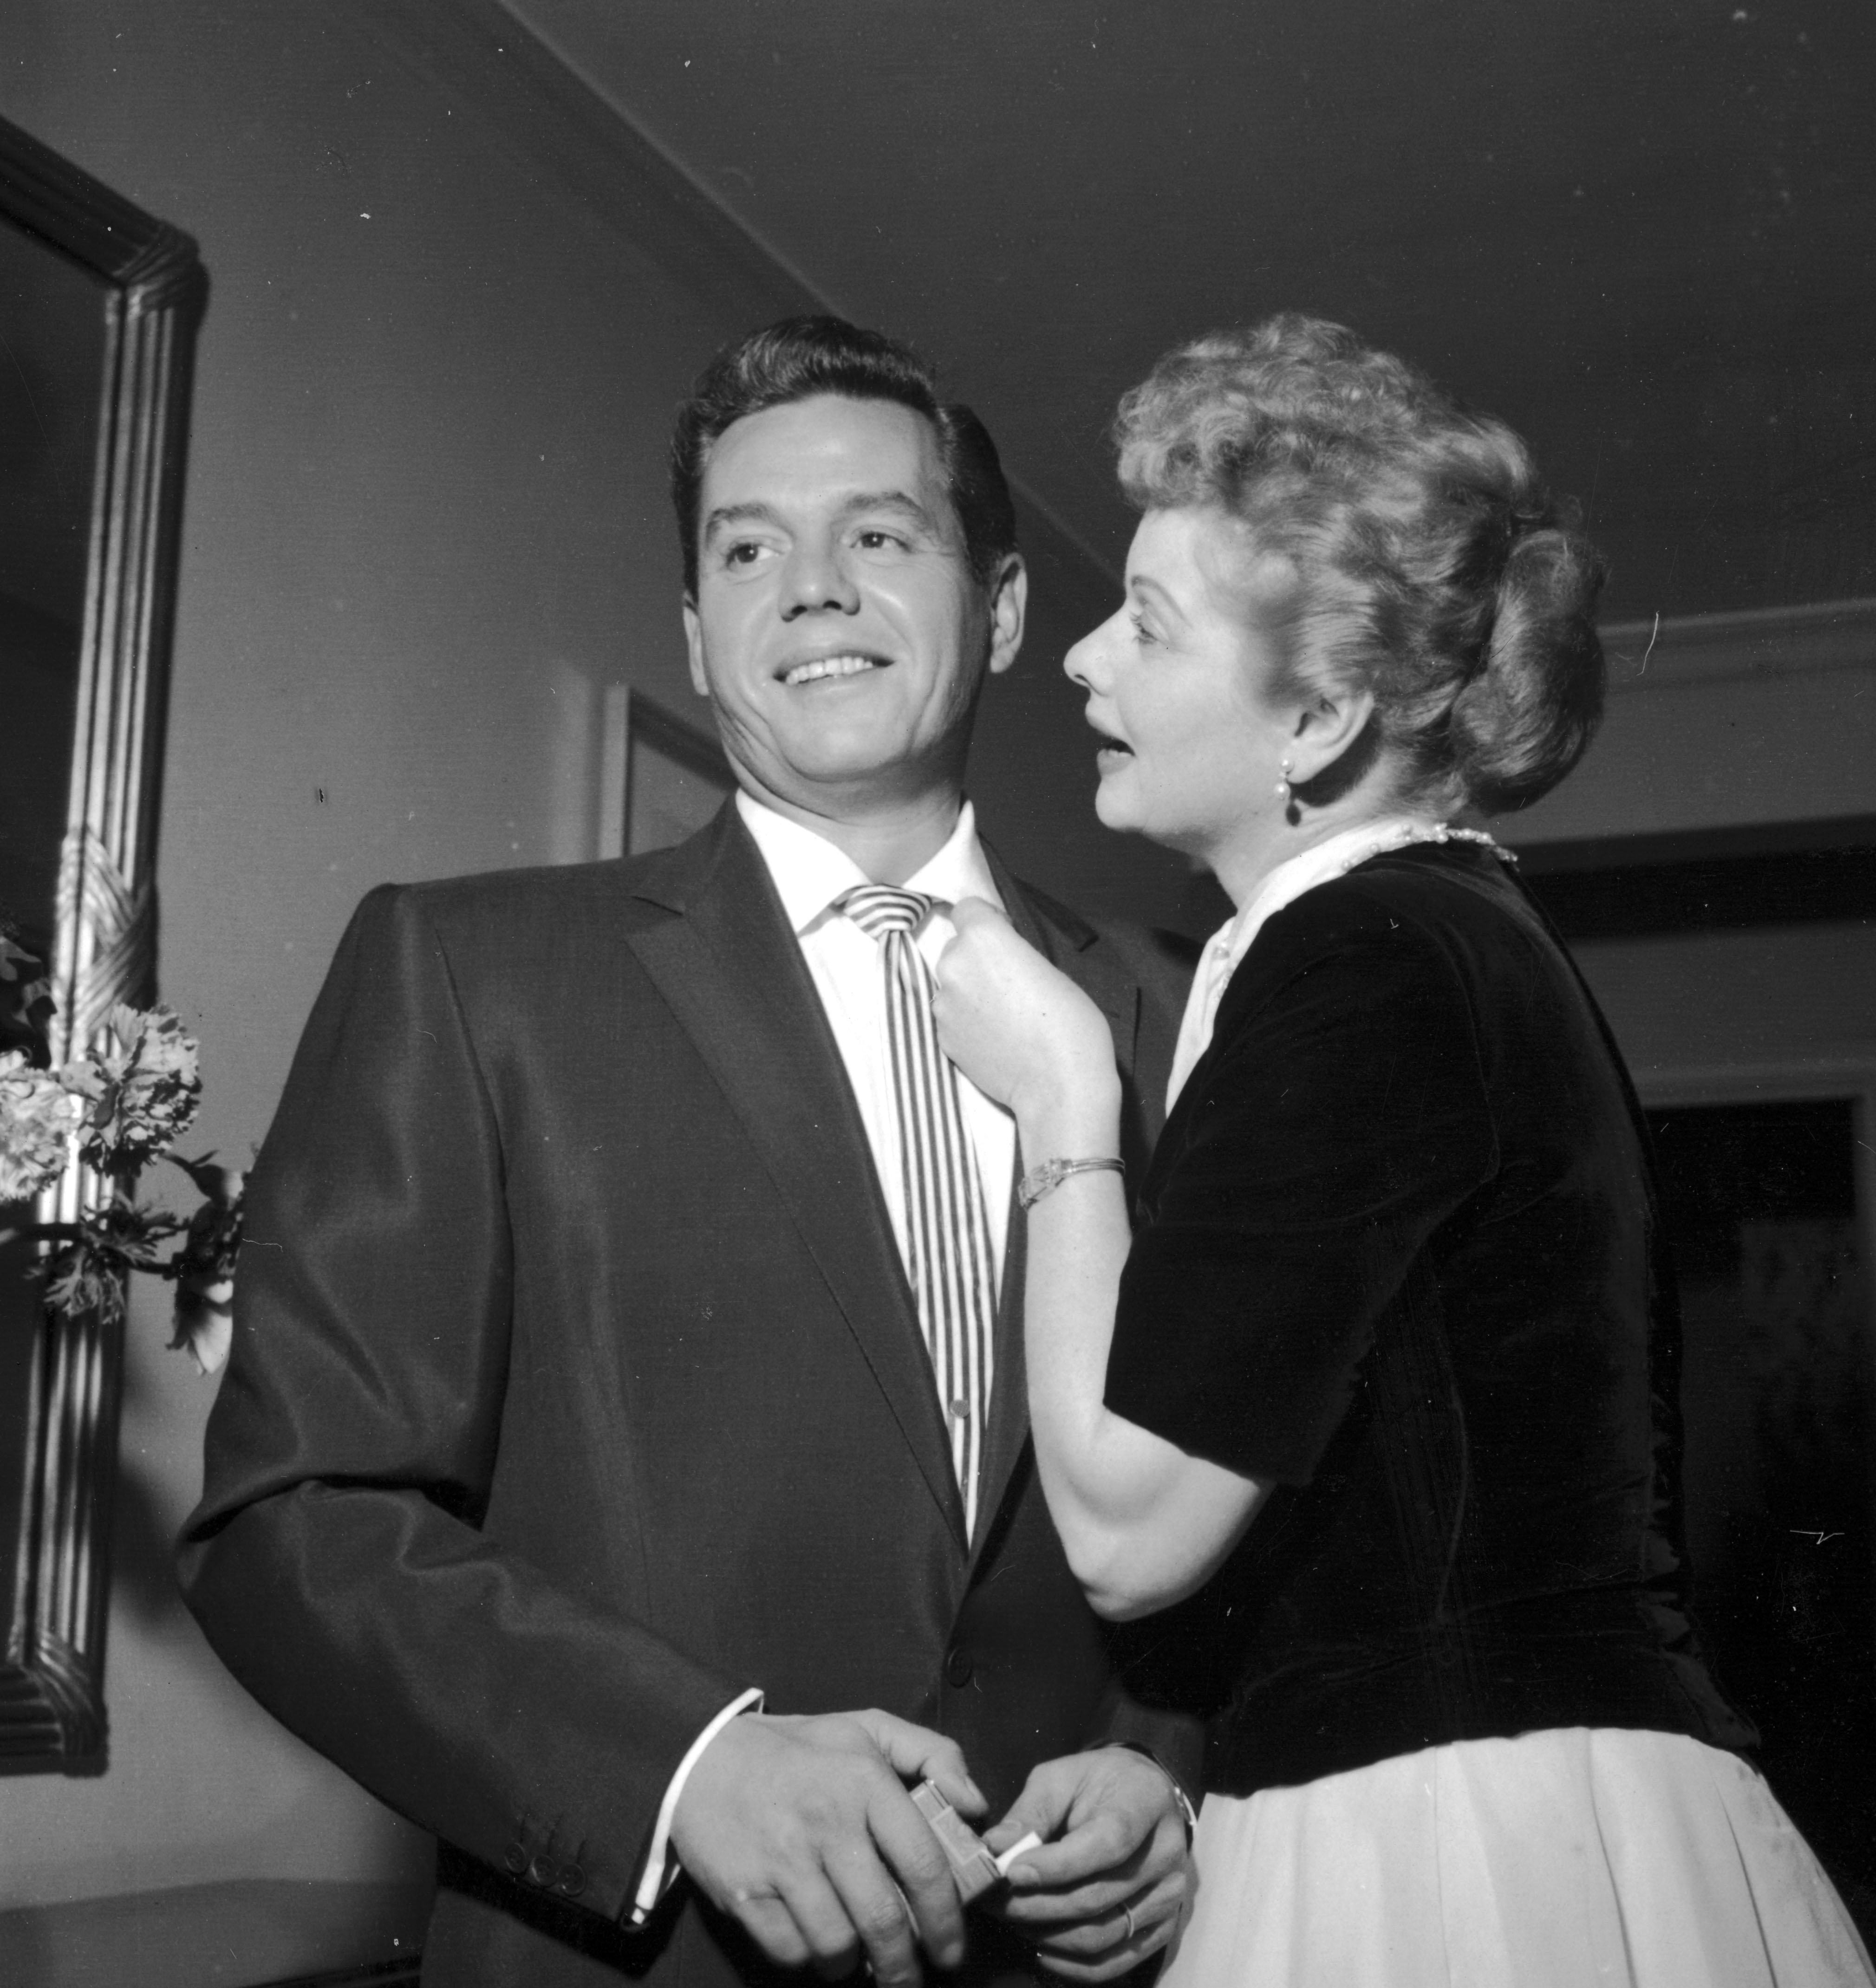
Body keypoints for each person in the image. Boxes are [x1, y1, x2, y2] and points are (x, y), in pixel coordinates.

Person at [181, 316, 1201, 1988]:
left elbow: (1247, 1504)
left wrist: (1168, 1765)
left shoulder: (1166, 1013)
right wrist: (686, 1763)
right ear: (697, 630)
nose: (810, 586)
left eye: (879, 534)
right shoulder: (469, 971)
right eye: (749, 549)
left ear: (1004, 609)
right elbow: (295, 1516)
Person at [935, 314, 1876, 1986]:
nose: (1080, 660)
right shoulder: (1441, 934)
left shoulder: (1364, 958)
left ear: (1319, 719)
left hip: (1453, 1851)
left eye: (1144, 625)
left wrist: (1068, 1111)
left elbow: (1130, 1526)